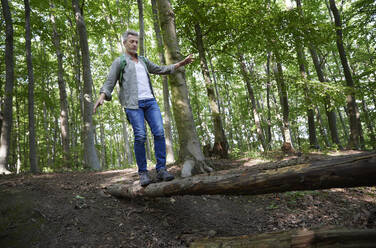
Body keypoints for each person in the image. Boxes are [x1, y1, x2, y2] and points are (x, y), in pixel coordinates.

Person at [93, 30, 193, 187]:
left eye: (136, 42)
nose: (134, 44)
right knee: (140, 135)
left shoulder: (144, 61)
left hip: (150, 102)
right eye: (131, 41)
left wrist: (180, 64)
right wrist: (101, 97)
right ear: (125, 43)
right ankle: (143, 173)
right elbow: (109, 82)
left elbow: (160, 69)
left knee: (159, 132)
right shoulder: (120, 62)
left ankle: (161, 170)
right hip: (133, 105)